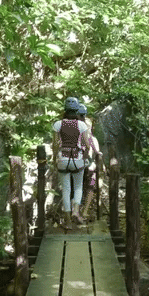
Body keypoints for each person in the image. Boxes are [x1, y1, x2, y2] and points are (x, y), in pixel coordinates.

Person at [52, 97, 93, 229]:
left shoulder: (58, 124)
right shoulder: (82, 125)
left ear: (65, 110)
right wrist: (85, 157)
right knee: (78, 187)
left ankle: (68, 221)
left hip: (63, 158)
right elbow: (87, 145)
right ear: (76, 111)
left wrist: (54, 158)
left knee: (66, 189)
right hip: (77, 159)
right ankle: (76, 211)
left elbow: (55, 145)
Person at [76, 103, 102, 221]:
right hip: (87, 166)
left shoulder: (78, 134)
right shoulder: (90, 138)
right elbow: (97, 152)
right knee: (88, 188)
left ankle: (79, 211)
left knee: (81, 188)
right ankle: (83, 211)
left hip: (82, 165)